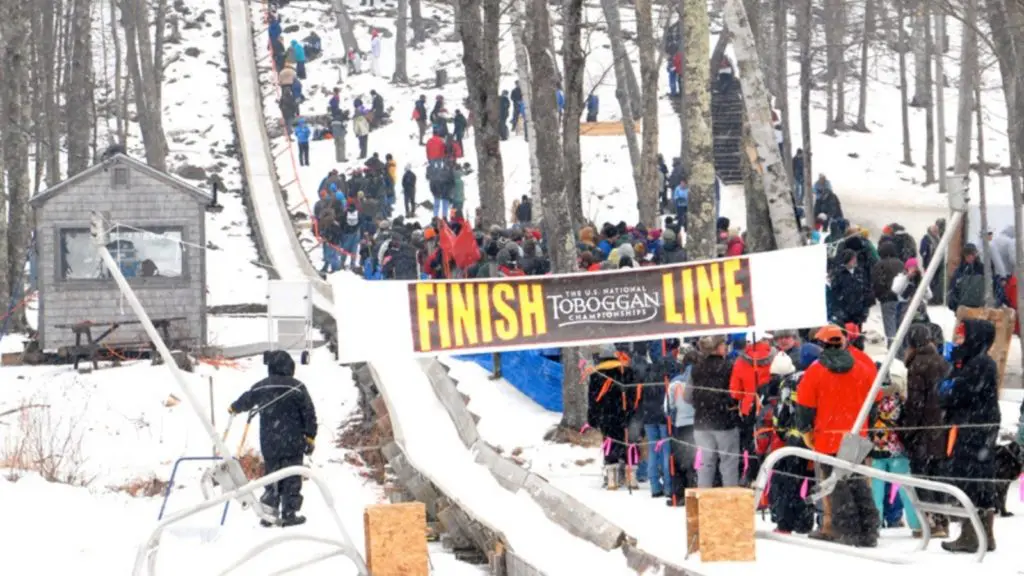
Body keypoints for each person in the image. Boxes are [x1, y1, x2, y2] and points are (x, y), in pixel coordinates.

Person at [796, 325, 881, 546]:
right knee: (858, 483)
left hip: (827, 437)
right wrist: (866, 427)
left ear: (821, 345)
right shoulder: (862, 368)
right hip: (855, 436)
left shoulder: (814, 372)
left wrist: (806, 431)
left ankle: (848, 530)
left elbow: (805, 406)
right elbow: (874, 401)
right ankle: (869, 529)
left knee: (836, 486)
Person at [228, 350, 317, 527]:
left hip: (270, 442)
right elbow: (309, 414)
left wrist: (234, 407)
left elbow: (247, 399)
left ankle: (268, 514)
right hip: (293, 442)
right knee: (292, 477)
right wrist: (310, 437)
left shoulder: (262, 386)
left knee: (271, 477)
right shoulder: (297, 387)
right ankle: (289, 514)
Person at [941, 319, 1001, 553]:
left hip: (975, 429)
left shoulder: (979, 363)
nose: (958, 340)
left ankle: (973, 534)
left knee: (973, 480)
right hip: (975, 426)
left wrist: (949, 387)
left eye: (962, 336)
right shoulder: (973, 361)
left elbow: (958, 393)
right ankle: (981, 533)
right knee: (976, 479)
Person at [902, 323, 951, 538]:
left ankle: (930, 523)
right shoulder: (943, 363)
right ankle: (942, 521)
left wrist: (907, 430)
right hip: (941, 429)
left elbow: (915, 404)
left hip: (922, 431)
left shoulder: (917, 366)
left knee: (922, 478)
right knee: (938, 477)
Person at [687, 335, 741, 488]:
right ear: (717, 348)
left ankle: (704, 500)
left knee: (705, 464)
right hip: (725, 422)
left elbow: (687, 396)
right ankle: (730, 501)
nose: (726, 348)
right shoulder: (730, 367)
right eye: (724, 345)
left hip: (701, 423)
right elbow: (736, 392)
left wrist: (702, 405)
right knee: (728, 464)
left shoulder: (695, 369)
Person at [948, 243, 986, 311]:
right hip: (963, 308)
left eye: (972, 254)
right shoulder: (960, 271)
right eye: (967, 255)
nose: (970, 257)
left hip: (979, 308)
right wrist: (955, 304)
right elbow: (952, 290)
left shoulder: (982, 269)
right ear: (964, 256)